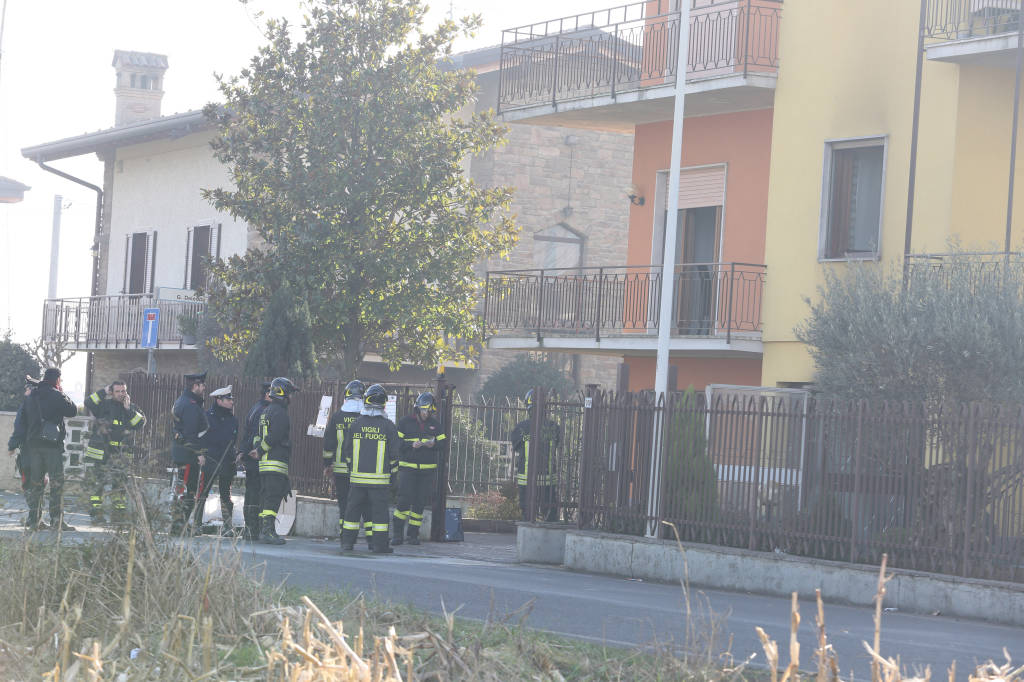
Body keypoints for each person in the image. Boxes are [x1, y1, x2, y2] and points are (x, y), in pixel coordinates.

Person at [340, 384, 399, 554]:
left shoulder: (356, 424)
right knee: (379, 515)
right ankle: (379, 546)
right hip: (380, 483)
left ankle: (347, 544)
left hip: (357, 481)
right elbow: (395, 458)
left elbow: (347, 453)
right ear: (384, 404)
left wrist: (353, 471)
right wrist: (393, 480)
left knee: (352, 513)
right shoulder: (389, 427)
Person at [16, 368, 77, 531]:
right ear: (57, 380)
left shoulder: (32, 394)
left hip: (33, 447)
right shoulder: (57, 395)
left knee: (36, 484)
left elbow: (22, 418)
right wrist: (62, 393)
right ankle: (57, 521)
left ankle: (34, 521)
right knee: (56, 484)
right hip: (52, 447)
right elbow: (73, 411)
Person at [83, 380, 146, 525]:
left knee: (120, 486)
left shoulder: (131, 408)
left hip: (121, 455)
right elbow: (88, 402)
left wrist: (128, 409)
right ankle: (96, 515)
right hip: (102, 453)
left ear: (127, 392)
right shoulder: (104, 405)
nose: (121, 394)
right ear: (112, 392)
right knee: (98, 484)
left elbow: (141, 423)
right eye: (117, 391)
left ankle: (118, 517)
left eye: (123, 391)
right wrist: (103, 392)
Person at [392, 391, 446, 546]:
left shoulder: (436, 425)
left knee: (419, 504)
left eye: (428, 411)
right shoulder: (404, 423)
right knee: (403, 502)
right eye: (423, 410)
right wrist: (411, 445)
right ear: (418, 409)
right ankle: (397, 535)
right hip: (408, 470)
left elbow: (443, 444)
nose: (426, 413)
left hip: (427, 472)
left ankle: (413, 535)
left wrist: (433, 444)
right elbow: (396, 444)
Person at [323, 380, 366, 549]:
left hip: (340, 470)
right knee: (359, 504)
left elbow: (329, 443)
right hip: (361, 470)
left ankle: (345, 536)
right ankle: (355, 537)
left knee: (344, 504)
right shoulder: (366, 416)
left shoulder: (338, 416)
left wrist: (327, 464)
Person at [256, 377, 298, 545]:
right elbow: (275, 437)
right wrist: (260, 449)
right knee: (272, 499)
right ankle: (268, 532)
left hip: (264, 464)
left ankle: (262, 529)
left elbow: (258, 436)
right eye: (290, 393)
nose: (291, 398)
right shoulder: (280, 413)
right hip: (276, 462)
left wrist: (258, 450)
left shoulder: (265, 411)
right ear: (284, 393)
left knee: (265, 497)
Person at [510, 389, 561, 523]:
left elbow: (515, 447)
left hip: (527, 479)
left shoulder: (521, 427)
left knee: (527, 511)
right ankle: (550, 533)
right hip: (548, 479)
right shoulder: (553, 427)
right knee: (550, 511)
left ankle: (528, 527)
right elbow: (558, 444)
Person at [195, 385, 239, 535]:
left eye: (231, 399)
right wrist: (200, 455)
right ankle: (196, 525)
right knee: (202, 493)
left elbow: (233, 441)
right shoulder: (207, 416)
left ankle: (228, 527)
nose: (231, 402)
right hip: (210, 460)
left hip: (227, 462)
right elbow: (199, 439)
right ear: (219, 400)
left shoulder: (233, 420)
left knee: (226, 495)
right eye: (228, 399)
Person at [170, 371, 209, 534]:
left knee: (183, 490)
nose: (204, 388)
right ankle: (180, 526)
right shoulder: (191, 405)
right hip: (188, 455)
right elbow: (191, 433)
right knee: (187, 491)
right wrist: (199, 453)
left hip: (183, 454)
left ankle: (180, 525)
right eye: (202, 385)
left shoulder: (184, 401)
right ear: (195, 386)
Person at [237, 381, 271, 541]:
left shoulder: (255, 407)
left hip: (250, 457)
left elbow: (247, 433)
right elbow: (256, 435)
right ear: (267, 394)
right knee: (256, 494)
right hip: (256, 458)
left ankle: (249, 529)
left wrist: (242, 452)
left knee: (251, 493)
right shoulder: (263, 411)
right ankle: (253, 529)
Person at [8, 376, 40, 497]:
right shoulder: (45, 404)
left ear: (30, 390)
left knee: (27, 473)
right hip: (46, 447)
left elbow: (19, 427)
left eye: (26, 389)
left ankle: (32, 506)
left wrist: (12, 446)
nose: (25, 392)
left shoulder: (26, 405)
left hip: (29, 446)